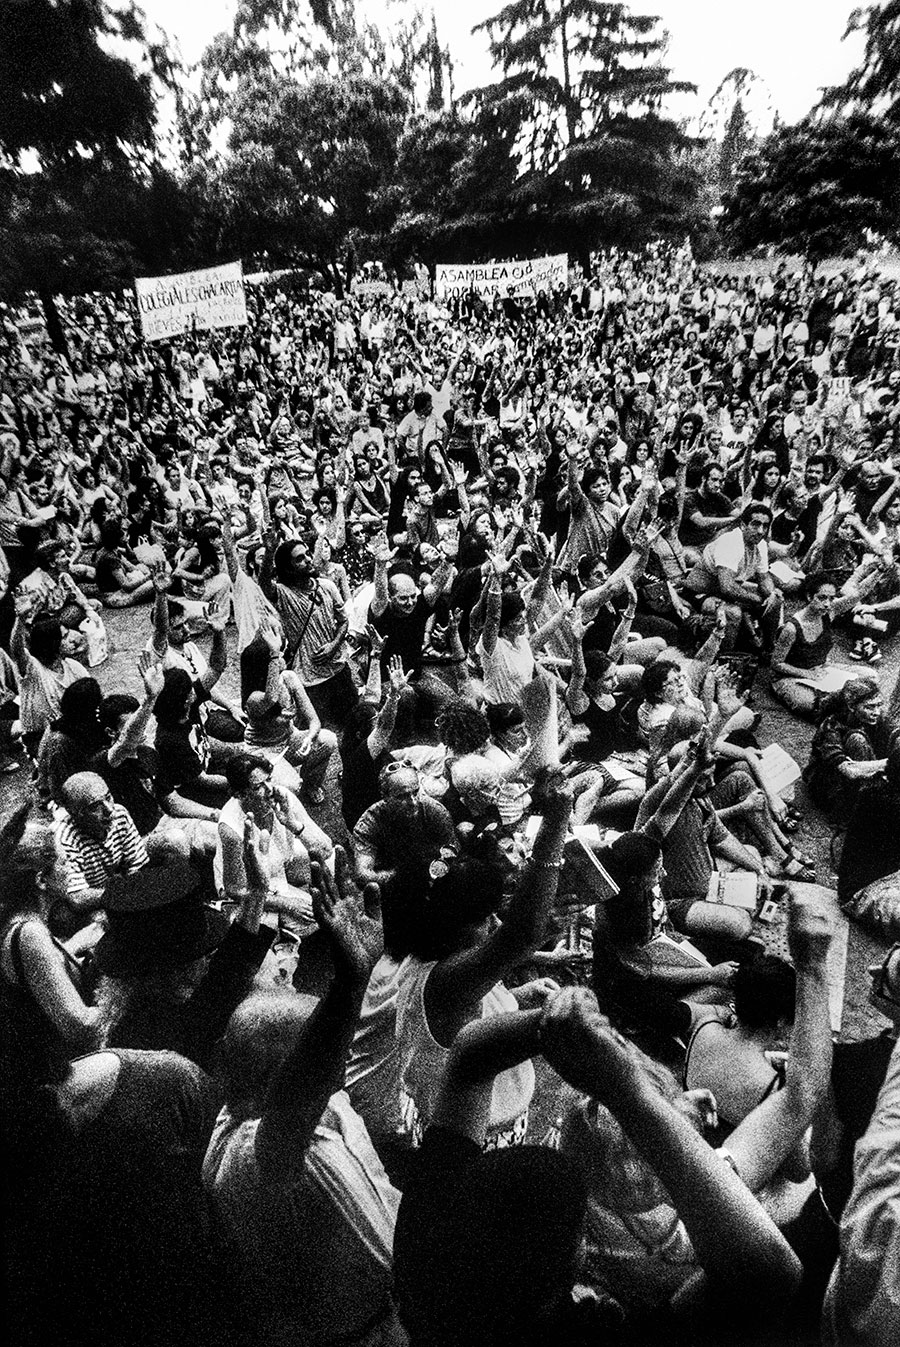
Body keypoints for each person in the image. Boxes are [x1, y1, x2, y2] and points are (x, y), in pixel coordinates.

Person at [204, 850, 406, 1347]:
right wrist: (350, 984)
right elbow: (299, 1097)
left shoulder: (295, 1107)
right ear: (287, 1082)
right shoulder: (251, 1153)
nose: (339, 1060)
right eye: (322, 1053)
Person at [395, 773, 571, 1146]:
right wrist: (556, 822)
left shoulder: (440, 966)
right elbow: (520, 935)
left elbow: (478, 1012)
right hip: (474, 1135)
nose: (495, 924)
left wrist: (520, 994)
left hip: (455, 1115)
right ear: (445, 926)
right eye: (483, 918)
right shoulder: (446, 982)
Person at [685, 502, 783, 650]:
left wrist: (770, 594)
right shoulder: (731, 542)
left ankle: (768, 648)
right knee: (732, 613)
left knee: (775, 600)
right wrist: (756, 599)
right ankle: (724, 657)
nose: (760, 531)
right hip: (699, 593)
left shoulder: (760, 544)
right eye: (755, 525)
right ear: (743, 525)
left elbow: (764, 577)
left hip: (726, 589)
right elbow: (727, 587)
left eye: (765, 526)